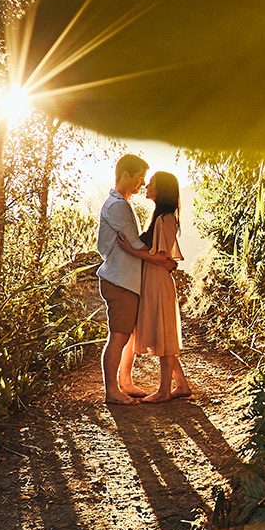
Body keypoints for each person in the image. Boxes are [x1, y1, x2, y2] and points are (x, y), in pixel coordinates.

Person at [96, 154, 176, 405]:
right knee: (119, 335)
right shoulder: (117, 206)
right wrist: (163, 260)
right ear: (125, 175)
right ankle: (112, 391)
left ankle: (125, 383)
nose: (142, 184)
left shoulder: (122, 203)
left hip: (127, 280)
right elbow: (134, 243)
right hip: (119, 280)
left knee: (128, 335)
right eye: (139, 178)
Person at [133, 170, 195, 401]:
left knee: (163, 335)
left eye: (152, 184)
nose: (147, 186)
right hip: (153, 279)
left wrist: (131, 251)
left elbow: (163, 259)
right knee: (164, 333)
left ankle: (163, 391)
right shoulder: (159, 217)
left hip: (158, 280)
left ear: (162, 190)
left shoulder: (166, 218)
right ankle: (181, 386)